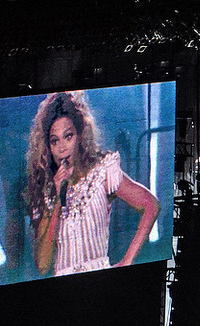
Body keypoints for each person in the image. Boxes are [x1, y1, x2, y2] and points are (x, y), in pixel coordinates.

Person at [26, 91, 160, 276]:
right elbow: (42, 265)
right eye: (54, 141)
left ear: (80, 135)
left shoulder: (102, 173)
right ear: (48, 147)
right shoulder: (48, 193)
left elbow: (150, 205)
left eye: (68, 136)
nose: (62, 147)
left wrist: (127, 260)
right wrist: (58, 198)